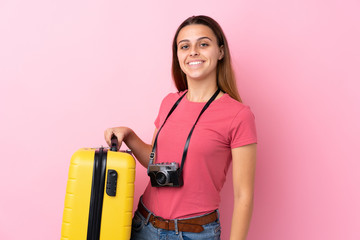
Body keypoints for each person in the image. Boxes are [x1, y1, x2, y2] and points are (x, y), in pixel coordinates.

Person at [104, 15, 257, 240]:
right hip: (144, 226)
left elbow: (244, 195)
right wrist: (130, 135)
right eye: (185, 46)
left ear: (221, 52)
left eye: (203, 44)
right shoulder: (169, 102)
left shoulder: (239, 115)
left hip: (194, 233)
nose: (193, 52)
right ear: (178, 55)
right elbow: (155, 163)